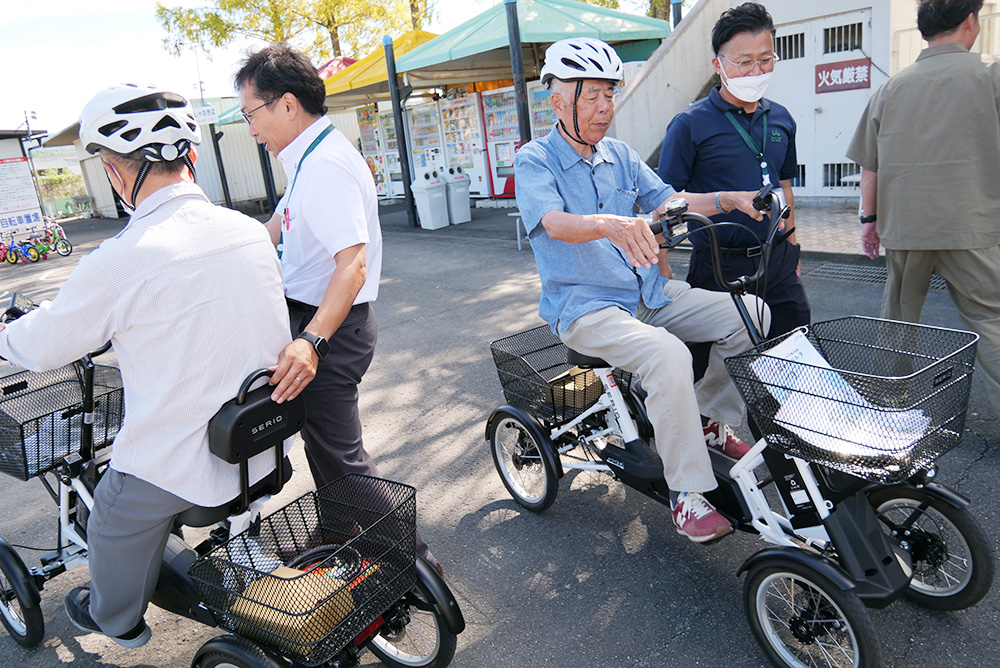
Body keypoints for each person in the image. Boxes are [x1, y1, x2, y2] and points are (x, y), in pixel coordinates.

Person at [0, 85, 291, 647]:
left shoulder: (122, 259)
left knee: (109, 518)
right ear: (193, 159)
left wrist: (6, 338)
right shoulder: (248, 231)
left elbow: (42, 346)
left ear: (114, 171)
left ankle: (118, 621)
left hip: (184, 457)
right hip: (259, 442)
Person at [514, 37, 771, 543]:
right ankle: (688, 494)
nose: (604, 108)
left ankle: (707, 421)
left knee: (753, 313)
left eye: (609, 94)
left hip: (647, 296)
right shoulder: (535, 159)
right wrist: (610, 224)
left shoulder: (621, 155)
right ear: (558, 100)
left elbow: (670, 201)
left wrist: (729, 198)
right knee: (668, 355)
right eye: (591, 96)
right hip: (586, 307)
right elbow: (555, 223)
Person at [233, 45, 442, 573]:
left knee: (342, 458)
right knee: (323, 445)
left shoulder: (324, 165)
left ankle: (417, 566)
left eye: (250, 113)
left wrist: (311, 342)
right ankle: (335, 533)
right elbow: (273, 231)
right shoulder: (308, 159)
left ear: (285, 105)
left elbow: (352, 265)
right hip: (320, 321)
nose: (249, 126)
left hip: (330, 328)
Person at [847, 0, 1000, 414]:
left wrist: (869, 221)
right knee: (992, 321)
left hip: (907, 230)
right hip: (975, 227)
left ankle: (885, 404)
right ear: (971, 21)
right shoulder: (991, 73)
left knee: (897, 321)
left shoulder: (892, 87)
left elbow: (870, 167)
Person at [658, 1, 809, 343]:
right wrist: (662, 266)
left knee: (794, 347)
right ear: (718, 64)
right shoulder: (689, 125)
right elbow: (664, 202)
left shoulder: (782, 118)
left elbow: (785, 188)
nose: (756, 71)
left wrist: (793, 249)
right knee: (717, 368)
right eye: (744, 62)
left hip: (777, 259)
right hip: (718, 265)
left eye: (766, 59)